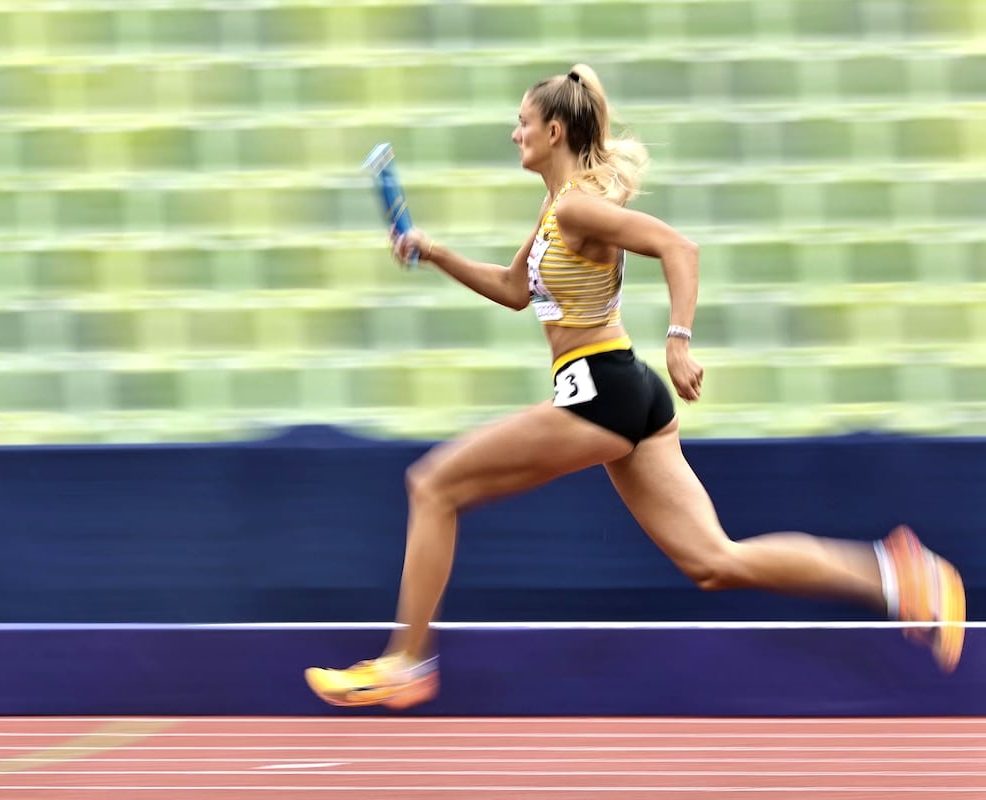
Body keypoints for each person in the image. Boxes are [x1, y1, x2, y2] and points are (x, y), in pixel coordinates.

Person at [304, 64, 965, 709]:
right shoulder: (557, 210)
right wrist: (435, 251)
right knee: (715, 561)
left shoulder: (578, 212)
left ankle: (406, 659)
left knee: (433, 484)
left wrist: (680, 339)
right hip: (623, 392)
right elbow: (512, 291)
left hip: (601, 390)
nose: (515, 135)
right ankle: (893, 572)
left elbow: (680, 248)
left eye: (522, 122)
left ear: (555, 131)